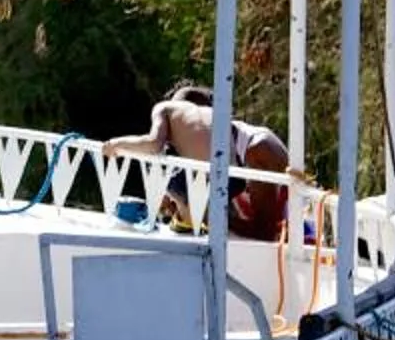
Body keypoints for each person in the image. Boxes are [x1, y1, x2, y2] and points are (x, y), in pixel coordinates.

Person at [108, 83, 295, 242]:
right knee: (181, 176)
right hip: (231, 178)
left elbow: (153, 143)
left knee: (157, 161)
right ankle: (190, 217)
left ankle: (190, 218)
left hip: (240, 177)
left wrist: (115, 145)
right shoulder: (217, 123)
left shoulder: (258, 149)